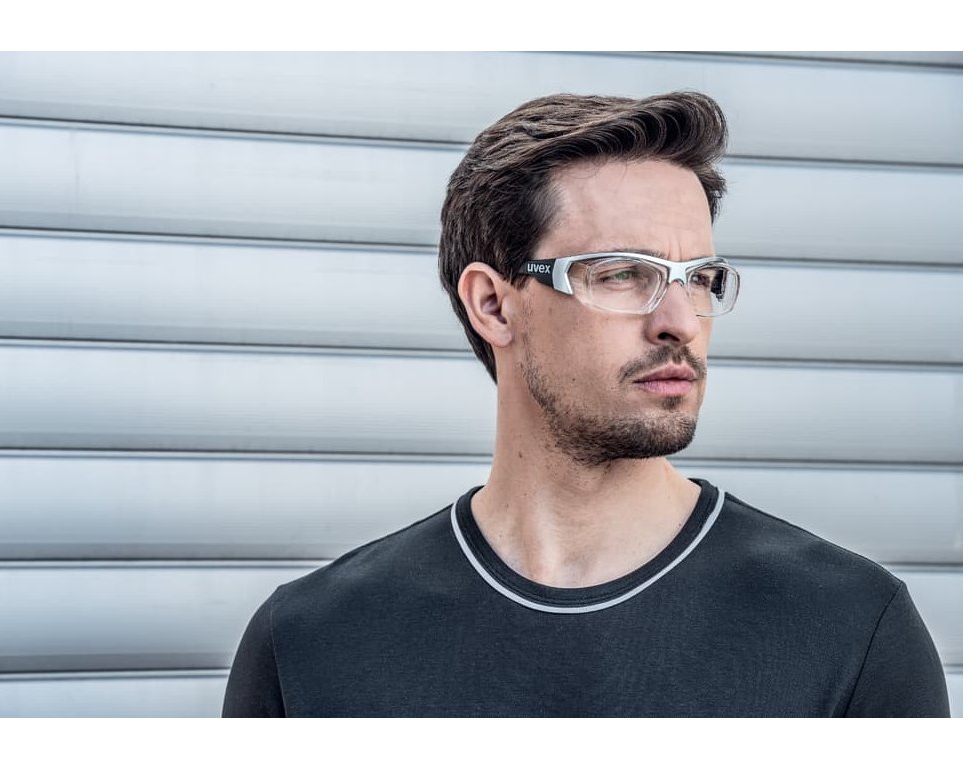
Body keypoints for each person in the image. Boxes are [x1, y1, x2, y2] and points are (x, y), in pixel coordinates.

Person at [223, 91, 949, 717]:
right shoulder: (311, 641)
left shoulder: (852, 627)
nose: (680, 321)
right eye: (623, 273)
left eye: (699, 278)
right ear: (493, 305)